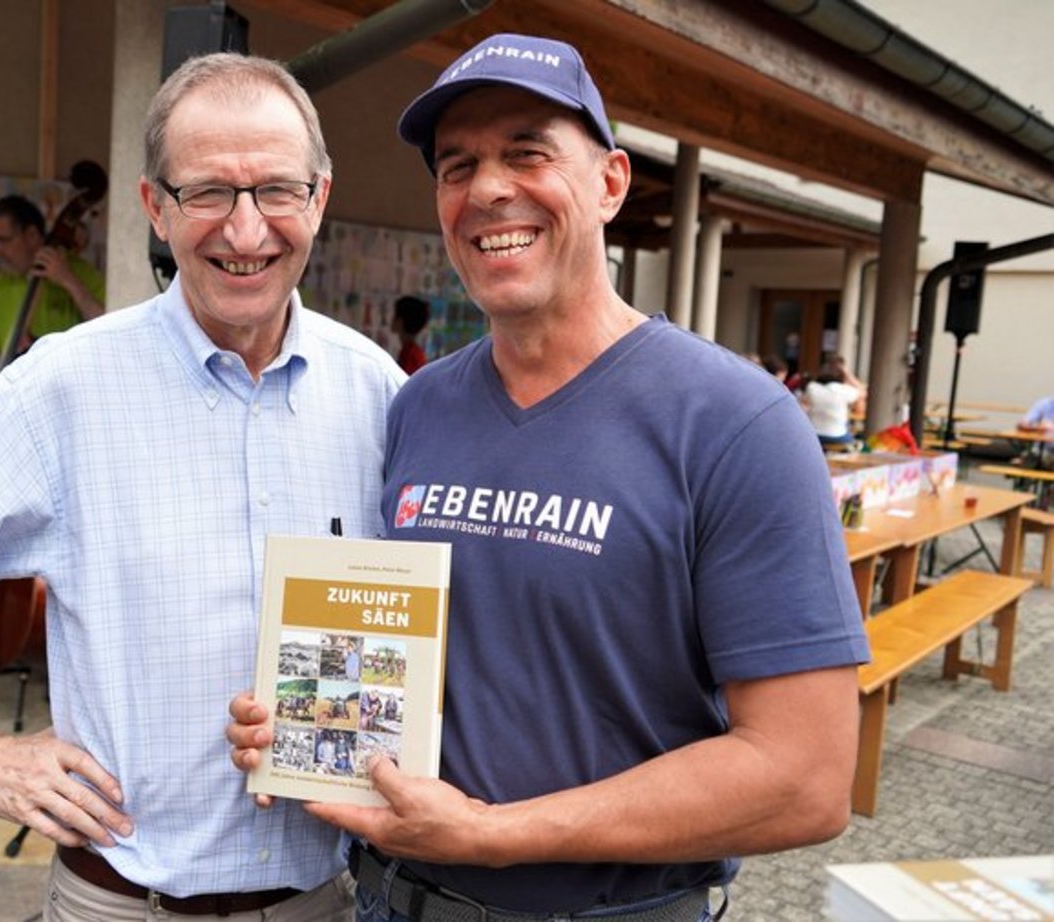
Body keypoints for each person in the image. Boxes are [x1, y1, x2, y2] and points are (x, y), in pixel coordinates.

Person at [230, 33, 868, 921]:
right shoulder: (419, 406)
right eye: (458, 166)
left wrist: (495, 832)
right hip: (388, 902)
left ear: (610, 183)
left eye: (527, 152)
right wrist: (309, 720)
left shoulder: (736, 422)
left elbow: (804, 779)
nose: (488, 188)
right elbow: (423, 664)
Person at [0, 52, 403, 921]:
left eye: (277, 191)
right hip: (122, 904)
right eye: (207, 192)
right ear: (154, 209)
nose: (246, 232)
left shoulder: (379, 392)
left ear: (319, 199)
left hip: (318, 901)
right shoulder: (66, 386)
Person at [0, 194, 105, 407]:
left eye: (3, 240)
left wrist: (69, 281)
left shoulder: (81, 273)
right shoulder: (4, 282)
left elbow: (107, 330)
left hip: (69, 402)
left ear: (31, 235)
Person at [801, 353, 867, 447]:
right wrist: (848, 373)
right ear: (842, 374)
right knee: (859, 444)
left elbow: (804, 405)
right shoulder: (844, 390)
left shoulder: (812, 387)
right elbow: (863, 392)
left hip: (815, 436)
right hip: (838, 436)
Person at [391, 295, 430, 374]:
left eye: (395, 315)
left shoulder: (410, 355)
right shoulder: (412, 352)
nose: (391, 319)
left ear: (400, 321)